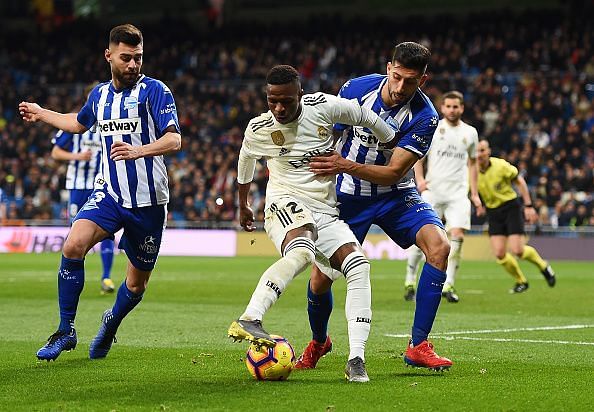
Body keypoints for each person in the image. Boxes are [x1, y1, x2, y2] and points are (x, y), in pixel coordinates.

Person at [19, 24, 182, 361]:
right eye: (126, 58)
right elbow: (78, 123)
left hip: (148, 203)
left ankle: (111, 322)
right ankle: (66, 330)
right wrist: (41, 112)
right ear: (109, 55)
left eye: (138, 58)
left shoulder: (156, 91)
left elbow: (174, 139)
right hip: (109, 194)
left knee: (136, 286)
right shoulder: (99, 95)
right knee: (73, 244)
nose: (133, 65)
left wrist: (139, 150)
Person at [227, 64, 397, 382]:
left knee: (359, 264)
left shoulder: (323, 107)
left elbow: (364, 115)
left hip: (324, 210)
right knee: (303, 252)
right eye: (272, 100)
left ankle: (356, 359)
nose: (278, 108)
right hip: (284, 204)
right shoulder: (259, 127)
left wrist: (389, 140)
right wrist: (243, 204)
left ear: (300, 96)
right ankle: (250, 317)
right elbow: (245, 159)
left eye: (286, 101)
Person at [295, 42, 452, 372]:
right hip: (348, 198)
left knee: (439, 247)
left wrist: (344, 165)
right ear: (388, 67)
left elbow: (394, 171)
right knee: (321, 279)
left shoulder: (426, 117)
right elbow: (329, 135)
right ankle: (320, 341)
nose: (399, 87)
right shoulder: (355, 89)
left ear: (422, 81)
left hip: (396, 195)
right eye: (396, 77)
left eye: (409, 81)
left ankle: (418, 345)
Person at [404, 91, 482, 303]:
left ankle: (448, 285)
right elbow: (418, 154)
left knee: (458, 236)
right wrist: (419, 180)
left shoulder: (470, 133)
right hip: (433, 191)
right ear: (443, 108)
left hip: (458, 192)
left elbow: (473, 163)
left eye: (455, 106)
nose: (452, 110)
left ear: (462, 108)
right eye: (448, 106)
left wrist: (474, 193)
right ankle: (410, 280)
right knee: (422, 238)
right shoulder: (433, 127)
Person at [51, 83, 116, 294]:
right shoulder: (75, 123)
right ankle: (75, 278)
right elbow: (56, 153)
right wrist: (77, 156)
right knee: (76, 235)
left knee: (107, 233)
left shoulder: (110, 123)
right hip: (78, 185)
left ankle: (106, 277)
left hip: (101, 185)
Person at [476, 140, 556, 292]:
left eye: (482, 150)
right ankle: (521, 281)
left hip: (510, 207)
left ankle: (543, 266)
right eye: (477, 151)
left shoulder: (501, 166)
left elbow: (520, 182)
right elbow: (471, 190)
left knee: (517, 250)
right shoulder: (471, 171)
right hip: (493, 212)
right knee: (499, 254)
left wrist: (528, 206)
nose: (479, 154)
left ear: (489, 151)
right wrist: (478, 204)